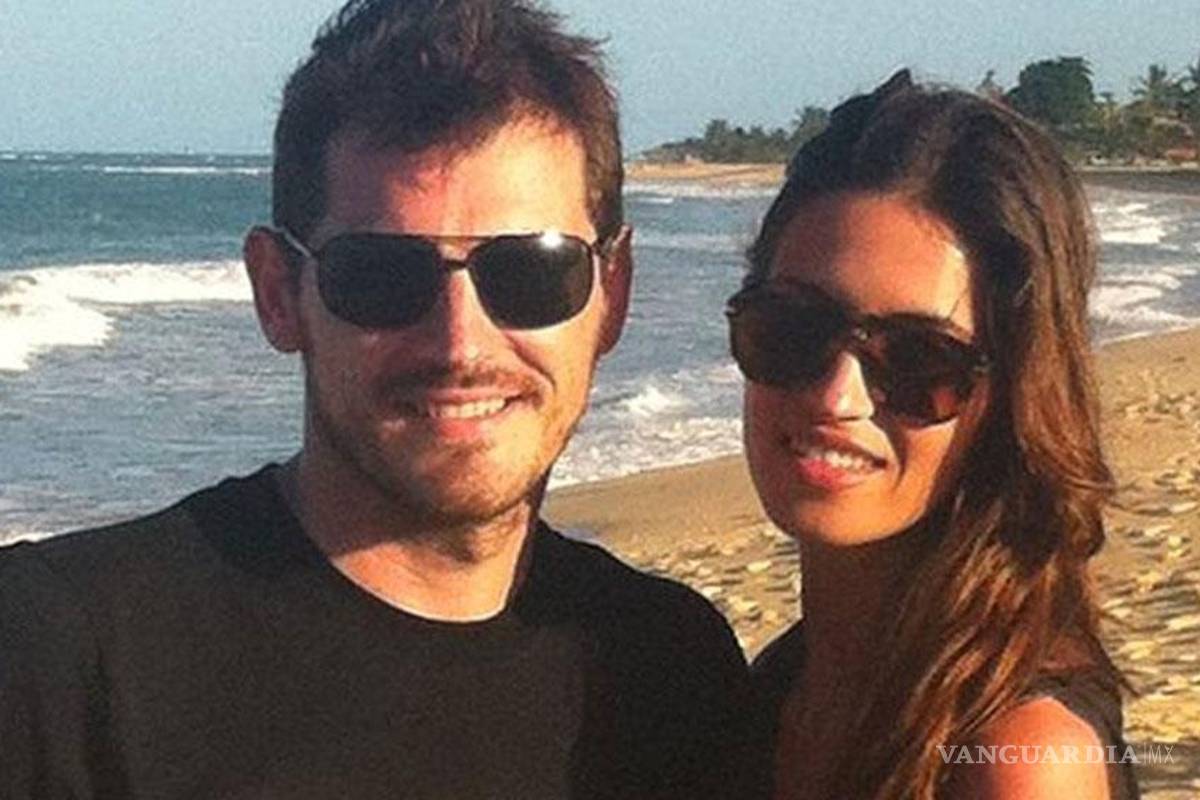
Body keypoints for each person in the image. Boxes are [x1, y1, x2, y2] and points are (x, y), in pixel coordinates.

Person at [0, 1, 748, 797]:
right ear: (278, 294)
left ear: (612, 294)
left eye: (531, 273)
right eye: (382, 276)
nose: (460, 345)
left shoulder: (668, 671)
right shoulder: (60, 656)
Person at [729, 71, 1139, 799]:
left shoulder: (1018, 757)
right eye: (793, 328)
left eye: (920, 361)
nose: (837, 397)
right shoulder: (785, 686)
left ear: (1014, 398)